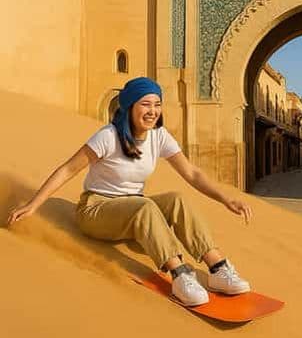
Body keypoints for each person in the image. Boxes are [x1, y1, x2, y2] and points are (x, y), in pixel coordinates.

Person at [7, 77, 253, 306]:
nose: (153, 111)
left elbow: (192, 174)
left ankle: (218, 268)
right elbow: (68, 169)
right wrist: (33, 204)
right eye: (145, 104)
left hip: (132, 209)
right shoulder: (108, 136)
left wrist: (226, 199)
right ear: (129, 107)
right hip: (95, 210)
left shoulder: (159, 135)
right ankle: (179, 274)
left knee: (177, 200)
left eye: (157, 104)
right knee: (144, 206)